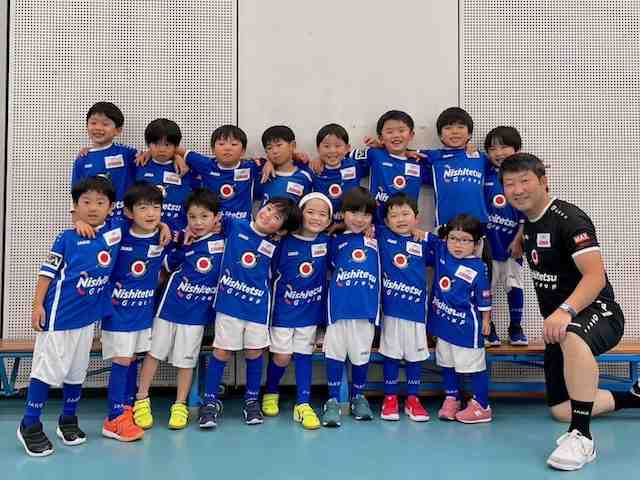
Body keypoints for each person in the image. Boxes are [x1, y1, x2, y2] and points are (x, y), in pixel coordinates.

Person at [500, 153, 639, 471]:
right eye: (509, 184)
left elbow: (595, 276)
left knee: (572, 335)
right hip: (561, 325)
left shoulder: (569, 220)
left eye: (525, 181)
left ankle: (582, 438)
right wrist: (521, 237)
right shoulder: (530, 221)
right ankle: (634, 397)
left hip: (599, 312)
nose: (518, 190)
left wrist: (565, 310)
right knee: (562, 408)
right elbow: (534, 230)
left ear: (544, 182)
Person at [17, 177, 121, 457]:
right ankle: (30, 424)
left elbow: (141, 220)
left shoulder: (114, 232)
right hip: (59, 318)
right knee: (46, 371)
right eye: (86, 202)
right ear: (76, 206)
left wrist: (162, 226)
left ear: (110, 207)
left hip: (87, 320)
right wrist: (37, 305)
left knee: (77, 372)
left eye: (100, 202)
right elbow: (46, 273)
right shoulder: (67, 237)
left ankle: (68, 419)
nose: (93, 208)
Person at [200, 198, 302, 427]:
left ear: (281, 230)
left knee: (254, 352)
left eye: (276, 217)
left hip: (257, 308)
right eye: (268, 209)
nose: (267, 215)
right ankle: (209, 402)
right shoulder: (235, 225)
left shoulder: (277, 245)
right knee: (222, 351)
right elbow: (207, 217)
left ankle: (251, 401)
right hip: (229, 305)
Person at [133, 188, 224, 430]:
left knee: (186, 361)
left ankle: (180, 404)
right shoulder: (180, 239)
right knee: (154, 354)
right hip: (168, 309)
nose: (198, 222)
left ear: (216, 218)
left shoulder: (223, 243)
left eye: (204, 216)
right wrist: (182, 247)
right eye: (193, 217)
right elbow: (166, 265)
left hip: (196, 315)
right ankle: (141, 399)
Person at [99, 182, 167, 442]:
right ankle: (114, 417)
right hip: (118, 313)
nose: (150, 213)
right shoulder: (117, 231)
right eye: (143, 207)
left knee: (132, 359)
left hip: (142, 314)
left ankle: (126, 410)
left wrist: (165, 226)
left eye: (155, 208)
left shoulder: (162, 236)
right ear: (128, 212)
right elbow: (95, 226)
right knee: (122, 360)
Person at [262, 193, 333, 429]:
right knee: (281, 356)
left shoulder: (327, 242)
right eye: (310, 212)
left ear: (329, 220)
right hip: (282, 312)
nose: (316, 218)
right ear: (299, 214)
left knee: (304, 356)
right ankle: (271, 390)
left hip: (310, 313)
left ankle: (303, 403)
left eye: (322, 214)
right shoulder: (282, 242)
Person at [426, 214, 493, 424]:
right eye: (454, 238)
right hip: (444, 324)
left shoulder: (478, 267)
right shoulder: (442, 251)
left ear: (476, 244)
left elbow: (484, 296)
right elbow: (425, 236)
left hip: (466, 328)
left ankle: (482, 405)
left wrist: (486, 320)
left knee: (473, 367)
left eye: (465, 240)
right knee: (447, 363)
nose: (458, 244)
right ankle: (452, 398)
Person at [322, 187, 380, 427]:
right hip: (338, 311)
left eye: (366, 214)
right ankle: (333, 400)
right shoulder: (333, 241)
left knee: (360, 356)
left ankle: (358, 397)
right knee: (334, 355)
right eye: (354, 212)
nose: (359, 219)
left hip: (366, 312)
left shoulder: (377, 238)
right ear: (343, 213)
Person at [377, 194, 431, 422]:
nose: (400, 219)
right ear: (386, 221)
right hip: (390, 311)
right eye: (394, 215)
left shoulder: (425, 240)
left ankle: (413, 399)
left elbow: (450, 247)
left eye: (406, 214)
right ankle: (389, 398)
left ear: (416, 218)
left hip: (416, 311)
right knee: (391, 354)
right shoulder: (380, 235)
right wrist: (370, 228)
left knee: (414, 356)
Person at [483, 126, 527, 346]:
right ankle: (488, 328)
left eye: (504, 147)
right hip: (487, 244)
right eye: (492, 149)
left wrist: (519, 238)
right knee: (485, 288)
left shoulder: (524, 176)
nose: (498, 153)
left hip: (513, 243)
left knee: (515, 285)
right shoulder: (484, 171)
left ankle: (516, 328)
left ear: (517, 149)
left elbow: (528, 212)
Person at [350, 110, 427, 223]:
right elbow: (339, 155)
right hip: (376, 225)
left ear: (411, 135)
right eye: (389, 132)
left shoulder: (418, 161)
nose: (396, 135)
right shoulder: (375, 154)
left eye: (401, 130)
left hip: (406, 226)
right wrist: (321, 161)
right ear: (381, 138)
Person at [418, 107, 489, 228]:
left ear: (469, 134)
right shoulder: (434, 156)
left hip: (478, 223)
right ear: (440, 135)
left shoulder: (481, 158)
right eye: (448, 128)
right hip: (446, 224)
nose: (455, 132)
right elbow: (403, 152)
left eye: (460, 127)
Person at [177, 125, 263, 221]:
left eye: (234, 144)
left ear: (243, 151)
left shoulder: (252, 167)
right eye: (221, 144)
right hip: (212, 225)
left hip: (242, 226)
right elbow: (173, 148)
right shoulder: (205, 164)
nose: (227, 148)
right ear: (213, 149)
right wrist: (177, 157)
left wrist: (269, 164)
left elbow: (273, 160)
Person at [72, 102, 137, 218]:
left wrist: (175, 155)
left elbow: (155, 156)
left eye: (105, 124)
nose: (98, 128)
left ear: (118, 130)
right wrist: (78, 221)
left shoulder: (127, 154)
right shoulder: (82, 159)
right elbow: (76, 195)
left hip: (125, 221)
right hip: (95, 223)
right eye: (93, 123)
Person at [135, 118, 200, 231]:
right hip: (147, 232)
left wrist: (177, 155)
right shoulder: (138, 165)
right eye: (156, 144)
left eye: (167, 144)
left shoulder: (186, 168)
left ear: (176, 146)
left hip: (179, 232)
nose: (162, 149)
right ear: (148, 145)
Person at [311, 124, 367, 226]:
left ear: (347, 148)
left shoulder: (354, 165)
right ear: (318, 149)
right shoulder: (313, 170)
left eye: (337, 146)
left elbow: (378, 158)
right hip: (323, 226)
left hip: (352, 226)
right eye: (326, 146)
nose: (332, 151)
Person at [256, 125, 313, 204]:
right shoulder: (262, 174)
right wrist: (267, 162)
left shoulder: (306, 175)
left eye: (279, 145)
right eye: (269, 148)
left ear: (292, 145)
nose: (275, 151)